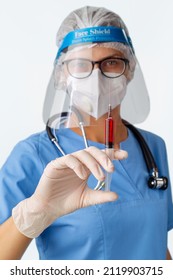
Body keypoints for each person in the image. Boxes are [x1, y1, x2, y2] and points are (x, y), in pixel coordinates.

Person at [0, 6, 173, 260]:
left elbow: (156, 245)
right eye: (80, 64)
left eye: (111, 62)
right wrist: (33, 214)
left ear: (130, 69)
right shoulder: (33, 155)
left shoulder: (152, 147)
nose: (96, 78)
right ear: (61, 74)